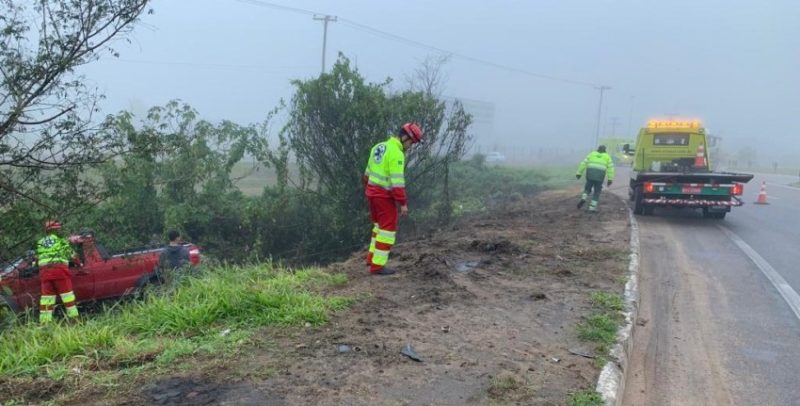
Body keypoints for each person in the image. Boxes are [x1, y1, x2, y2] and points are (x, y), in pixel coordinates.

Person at [363, 122, 423, 275]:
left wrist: (369, 191)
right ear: (405, 137)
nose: (411, 146)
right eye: (412, 142)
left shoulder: (379, 146)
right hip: (384, 197)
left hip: (372, 193)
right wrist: (403, 204)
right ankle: (377, 266)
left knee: (377, 227)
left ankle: (371, 258)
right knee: (387, 230)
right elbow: (397, 182)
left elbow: (366, 175)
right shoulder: (397, 153)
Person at [35, 220, 80, 323]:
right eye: (59, 228)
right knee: (67, 297)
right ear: (56, 230)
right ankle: (74, 321)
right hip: (59, 271)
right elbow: (72, 256)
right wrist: (79, 263)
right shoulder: (61, 241)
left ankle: (45, 323)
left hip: (45, 273)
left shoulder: (40, 242)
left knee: (47, 299)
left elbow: (37, 258)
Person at [576, 145, 615, 212]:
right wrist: (610, 179)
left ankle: (583, 198)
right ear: (605, 150)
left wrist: (579, 173)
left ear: (598, 149)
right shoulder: (607, 157)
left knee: (587, 189)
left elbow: (583, 163)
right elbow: (611, 169)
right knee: (597, 192)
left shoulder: (592, 154)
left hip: (590, 175)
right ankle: (592, 208)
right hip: (600, 177)